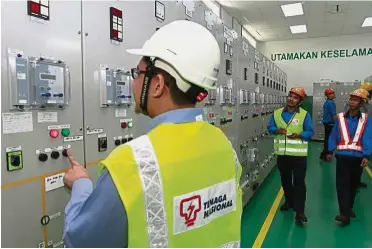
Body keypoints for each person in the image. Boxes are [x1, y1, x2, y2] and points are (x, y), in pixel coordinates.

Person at [61, 20, 243, 248]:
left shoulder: (131, 164)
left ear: (156, 84)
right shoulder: (223, 146)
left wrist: (80, 184)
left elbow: (80, 240)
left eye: (138, 73)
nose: (133, 82)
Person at [267, 87, 314, 222]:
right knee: (285, 180)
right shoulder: (276, 113)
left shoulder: (305, 115)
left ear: (300, 101)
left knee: (299, 182)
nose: (291, 99)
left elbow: (310, 132)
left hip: (299, 156)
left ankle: (300, 211)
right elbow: (270, 128)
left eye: (295, 97)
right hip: (282, 155)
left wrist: (300, 135)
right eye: (290, 96)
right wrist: (276, 130)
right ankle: (289, 201)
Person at [326, 88, 372, 226]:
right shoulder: (340, 118)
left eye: (355, 100)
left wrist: (366, 156)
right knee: (342, 186)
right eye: (351, 99)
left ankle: (348, 208)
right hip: (342, 157)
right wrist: (329, 151)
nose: (352, 102)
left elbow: (368, 137)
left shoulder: (366, 120)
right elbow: (334, 135)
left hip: (357, 158)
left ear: (361, 103)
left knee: (353, 185)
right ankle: (344, 214)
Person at [320, 88, 336, 160]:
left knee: (327, 139)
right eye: (332, 93)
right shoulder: (331, 103)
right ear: (328, 95)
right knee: (330, 140)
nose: (333, 94)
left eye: (333, 93)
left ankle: (323, 155)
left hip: (326, 123)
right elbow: (333, 115)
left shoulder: (327, 102)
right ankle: (327, 155)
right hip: (330, 123)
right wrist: (337, 123)